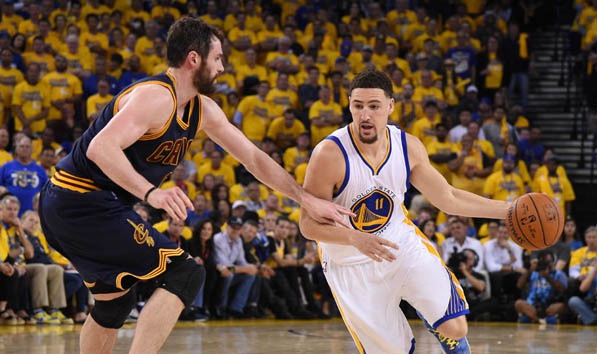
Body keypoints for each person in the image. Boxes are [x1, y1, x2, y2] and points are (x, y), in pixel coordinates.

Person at [38, 18, 350, 354]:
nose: (223, 67)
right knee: (185, 274)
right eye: (217, 58)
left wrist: (305, 198)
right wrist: (151, 193)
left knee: (114, 304)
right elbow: (100, 148)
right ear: (194, 59)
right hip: (78, 199)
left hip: (76, 205)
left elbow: (254, 159)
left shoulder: (202, 110)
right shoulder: (156, 97)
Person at [300, 69, 511, 354]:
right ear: (349, 105)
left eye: (374, 106)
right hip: (350, 263)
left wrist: (509, 211)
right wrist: (355, 239)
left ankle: (433, 317)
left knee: (456, 327)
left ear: (390, 106)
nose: (365, 115)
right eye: (357, 106)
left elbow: (447, 197)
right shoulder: (329, 154)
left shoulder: (407, 146)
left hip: (401, 244)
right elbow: (308, 227)